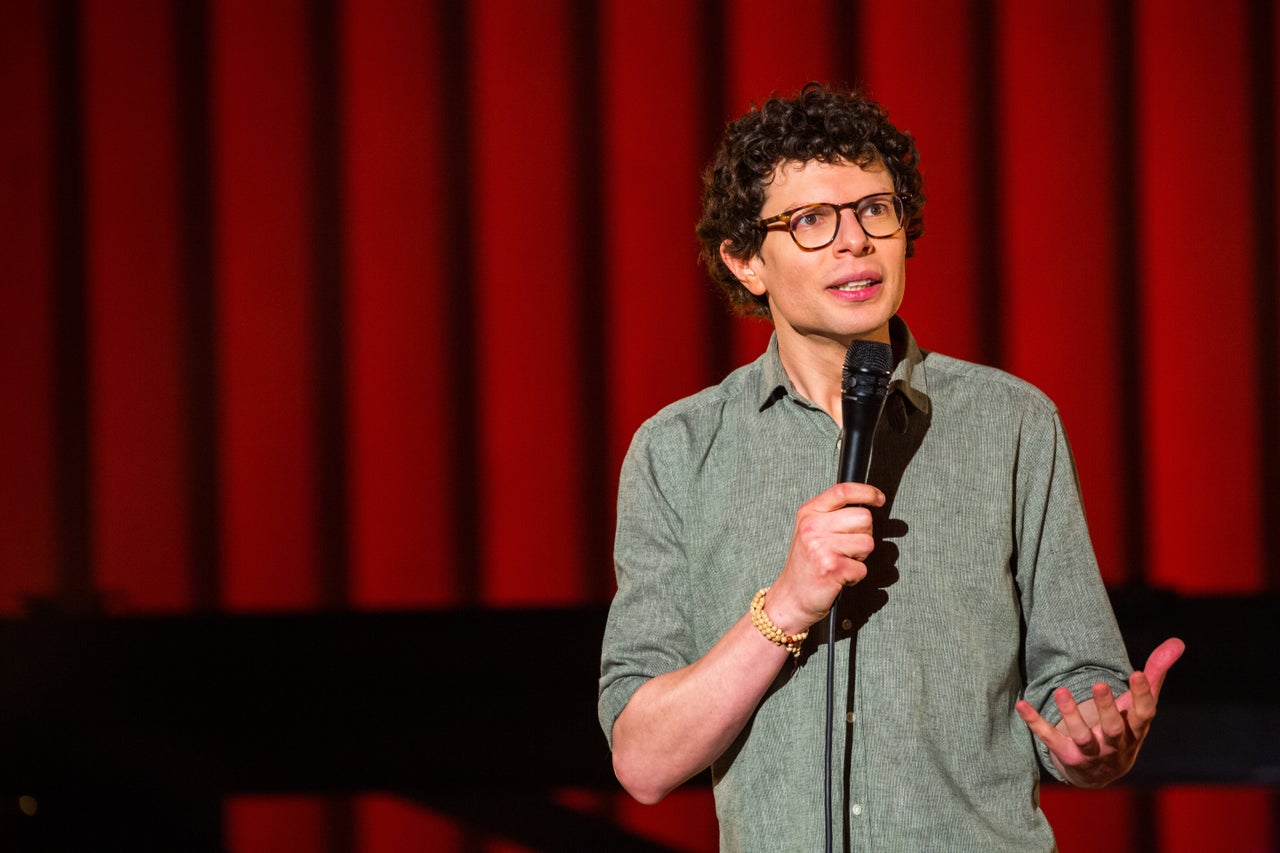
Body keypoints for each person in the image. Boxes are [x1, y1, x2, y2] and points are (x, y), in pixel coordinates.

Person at [597, 83, 1183, 851]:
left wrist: (1094, 740)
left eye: (876, 209)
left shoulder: (1010, 422)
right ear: (746, 262)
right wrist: (787, 605)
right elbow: (642, 758)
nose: (855, 242)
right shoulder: (676, 451)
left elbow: (1074, 689)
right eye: (811, 220)